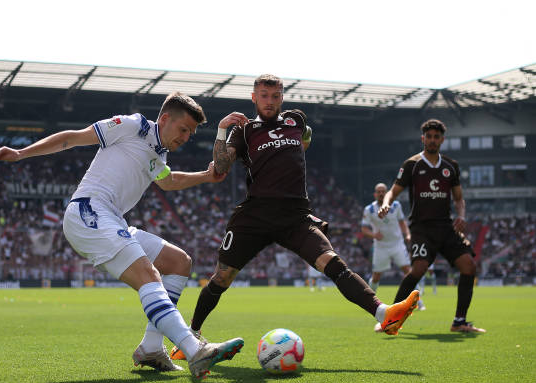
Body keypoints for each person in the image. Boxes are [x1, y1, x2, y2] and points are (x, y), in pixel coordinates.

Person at [0, 92, 244, 379]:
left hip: (111, 218)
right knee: (149, 276)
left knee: (178, 262)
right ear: (164, 119)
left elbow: (169, 181)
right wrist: (21, 153)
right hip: (88, 212)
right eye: (183, 129)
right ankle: (196, 352)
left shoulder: (159, 152)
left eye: (191, 133)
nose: (186, 137)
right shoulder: (132, 125)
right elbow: (72, 138)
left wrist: (206, 176)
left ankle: (151, 348)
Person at [169, 74, 419, 361]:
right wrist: (222, 130)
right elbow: (220, 169)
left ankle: (384, 314)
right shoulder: (245, 131)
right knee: (222, 277)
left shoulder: (296, 120)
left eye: (275, 96)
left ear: (282, 97)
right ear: (254, 97)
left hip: (295, 215)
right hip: (255, 215)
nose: (270, 101)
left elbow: (305, 142)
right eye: (264, 95)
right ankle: (190, 337)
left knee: (332, 262)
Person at [378, 119, 485, 333]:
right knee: (418, 269)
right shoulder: (412, 164)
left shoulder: (450, 166)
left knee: (469, 267)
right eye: (429, 136)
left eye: (437, 137)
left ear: (442, 140)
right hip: (422, 228)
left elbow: (459, 198)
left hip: (445, 228)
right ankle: (391, 320)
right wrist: (386, 203)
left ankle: (459, 322)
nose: (433, 140)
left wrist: (461, 215)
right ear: (423, 139)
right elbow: (393, 190)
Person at [361, 183, 426, 321]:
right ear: (375, 194)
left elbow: (402, 223)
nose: (381, 194)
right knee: (376, 276)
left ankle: (418, 302)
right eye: (378, 191)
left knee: (409, 272)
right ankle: (368, 302)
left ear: (387, 192)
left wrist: (407, 234)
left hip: (397, 244)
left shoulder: (396, 206)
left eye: (383, 191)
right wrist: (374, 235)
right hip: (381, 246)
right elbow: (364, 229)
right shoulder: (369, 209)